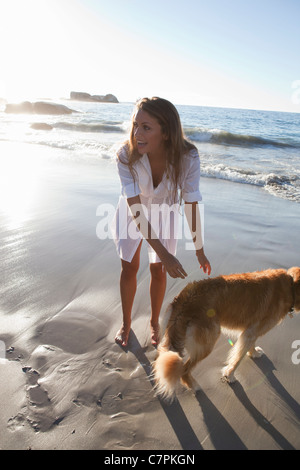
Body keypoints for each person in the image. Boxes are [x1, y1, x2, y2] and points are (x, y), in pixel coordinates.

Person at [111, 97, 211, 347]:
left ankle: (155, 322)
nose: (137, 133)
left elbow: (191, 203)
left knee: (158, 269)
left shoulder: (188, 157)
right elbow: (135, 207)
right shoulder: (125, 154)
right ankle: (126, 323)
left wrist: (199, 249)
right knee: (129, 268)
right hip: (132, 212)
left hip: (164, 213)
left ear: (166, 132)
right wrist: (164, 252)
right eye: (135, 125)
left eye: (146, 127)